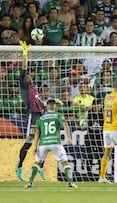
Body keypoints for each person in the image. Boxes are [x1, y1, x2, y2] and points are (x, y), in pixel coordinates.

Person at [25, 99, 77, 188]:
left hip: (43, 143)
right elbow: (65, 125)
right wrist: (69, 138)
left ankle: (30, 182)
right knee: (64, 162)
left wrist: (35, 146)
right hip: (55, 142)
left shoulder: (40, 118)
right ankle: (70, 183)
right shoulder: (58, 116)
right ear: (55, 107)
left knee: (37, 162)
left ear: (46, 107)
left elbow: (37, 133)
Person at [15, 41, 46, 181]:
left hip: (41, 117)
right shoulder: (25, 87)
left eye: (30, 75)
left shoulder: (34, 90)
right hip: (32, 117)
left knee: (45, 142)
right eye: (27, 75)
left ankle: (40, 167)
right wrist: (25, 53)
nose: (29, 76)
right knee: (29, 141)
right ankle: (19, 165)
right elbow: (24, 68)